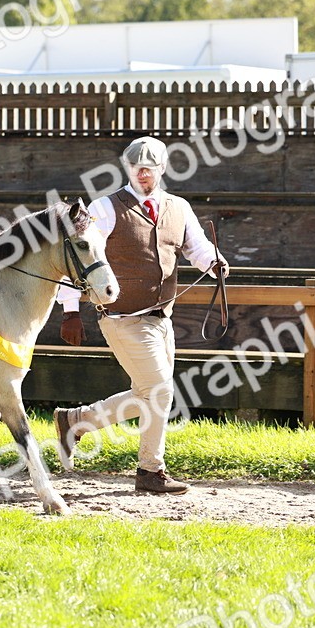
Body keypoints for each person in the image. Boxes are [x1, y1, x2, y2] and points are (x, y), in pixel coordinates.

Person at [53, 136, 228, 494]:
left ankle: (76, 420)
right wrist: (70, 311)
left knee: (150, 394)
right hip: (121, 317)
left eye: (149, 169)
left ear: (162, 170)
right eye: (137, 168)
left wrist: (214, 264)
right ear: (127, 168)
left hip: (162, 319)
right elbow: (77, 258)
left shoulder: (178, 207)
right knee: (160, 392)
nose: (143, 174)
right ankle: (151, 471)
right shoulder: (104, 208)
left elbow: (196, 247)